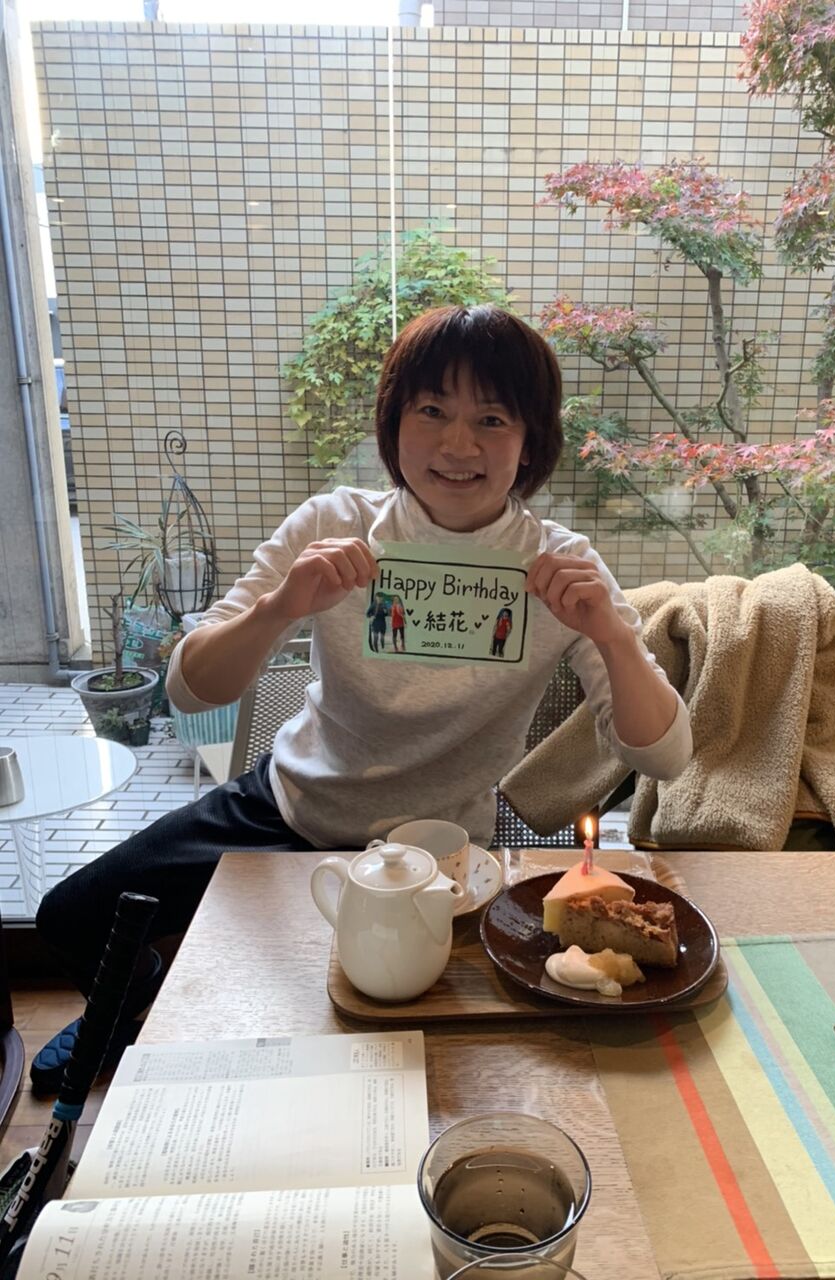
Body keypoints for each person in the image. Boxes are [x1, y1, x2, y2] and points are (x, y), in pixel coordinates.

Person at [32, 304, 692, 1092]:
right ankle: (128, 1001)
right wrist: (281, 607)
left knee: (402, 1047)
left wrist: (615, 637)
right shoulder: (334, 524)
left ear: (530, 441)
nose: (458, 445)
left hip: (446, 853)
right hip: (290, 810)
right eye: (432, 410)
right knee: (68, 917)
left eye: (491, 419)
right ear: (393, 421)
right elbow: (189, 690)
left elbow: (664, 755)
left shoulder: (559, 566)